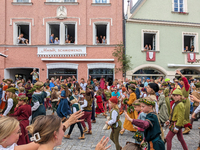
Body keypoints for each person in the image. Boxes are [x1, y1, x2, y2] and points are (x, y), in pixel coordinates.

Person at [176, 70, 192, 134]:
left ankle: (187, 128)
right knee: (184, 114)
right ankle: (187, 126)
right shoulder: (182, 87)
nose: (180, 82)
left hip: (186, 102)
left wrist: (181, 74)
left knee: (184, 115)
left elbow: (185, 80)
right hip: (183, 101)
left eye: (180, 81)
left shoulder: (186, 86)